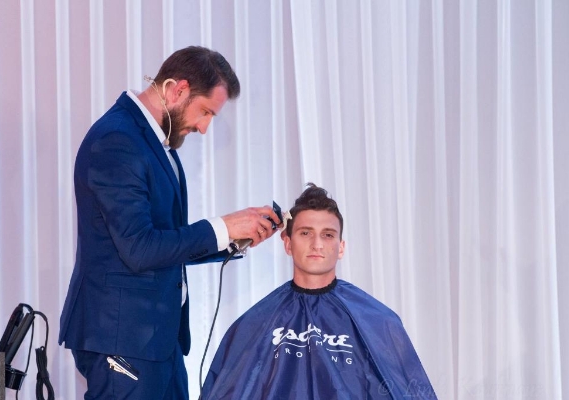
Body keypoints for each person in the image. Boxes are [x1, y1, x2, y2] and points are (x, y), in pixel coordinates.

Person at [58, 46, 281, 399]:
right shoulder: (117, 140)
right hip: (124, 340)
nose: (204, 127)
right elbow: (139, 248)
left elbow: (164, 241)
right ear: (178, 90)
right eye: (205, 111)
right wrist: (223, 226)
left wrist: (236, 237)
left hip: (158, 342)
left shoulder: (155, 144)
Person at [202, 184, 437, 399]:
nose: (317, 244)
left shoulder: (378, 321)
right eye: (305, 233)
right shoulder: (254, 324)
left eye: (328, 235)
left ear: (341, 247)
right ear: (288, 243)